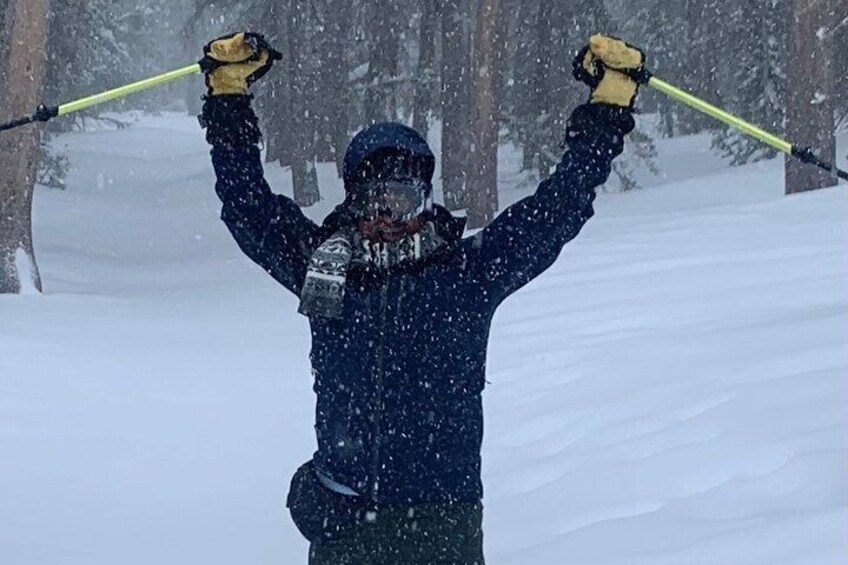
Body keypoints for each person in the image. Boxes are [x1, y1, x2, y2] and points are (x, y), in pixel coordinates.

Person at [200, 31, 644, 565]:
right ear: (353, 198)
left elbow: (560, 208)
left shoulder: (466, 274)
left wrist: (607, 104)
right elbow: (246, 204)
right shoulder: (324, 266)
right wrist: (228, 96)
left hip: (443, 521)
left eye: (403, 195)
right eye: (373, 197)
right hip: (344, 517)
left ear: (425, 198)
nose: (388, 214)